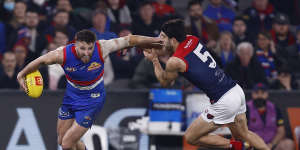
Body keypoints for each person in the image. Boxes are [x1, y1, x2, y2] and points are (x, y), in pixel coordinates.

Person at [17, 29, 162, 150]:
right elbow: (40, 61)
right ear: (75, 45)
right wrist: (21, 74)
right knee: (62, 141)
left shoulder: (103, 47)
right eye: (82, 48)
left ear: (94, 45)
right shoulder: (61, 54)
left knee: (67, 144)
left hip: (93, 98)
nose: (87, 53)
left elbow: (131, 40)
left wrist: (157, 40)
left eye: (90, 48)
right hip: (72, 95)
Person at [143, 19, 269, 150]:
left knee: (191, 137)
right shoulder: (192, 39)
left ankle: (238, 146)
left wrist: (154, 60)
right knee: (244, 134)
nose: (159, 40)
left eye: (163, 37)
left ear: (173, 40)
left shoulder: (174, 61)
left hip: (224, 101)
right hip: (235, 90)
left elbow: (164, 82)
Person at [247, 83, 295, 150]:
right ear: (252, 94)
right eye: (257, 93)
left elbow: (281, 131)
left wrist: (272, 144)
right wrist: (257, 144)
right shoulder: (246, 109)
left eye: (263, 93)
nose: (260, 96)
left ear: (267, 94)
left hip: (272, 145)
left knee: (288, 143)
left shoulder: (274, 108)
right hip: (253, 145)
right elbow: (242, 131)